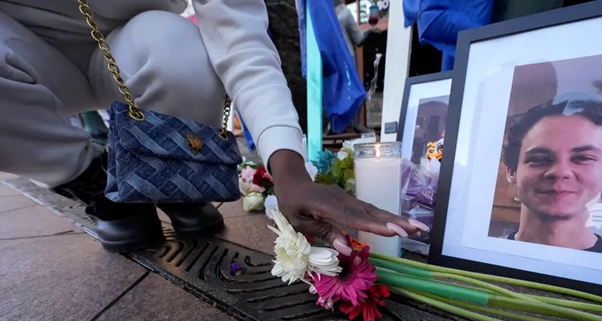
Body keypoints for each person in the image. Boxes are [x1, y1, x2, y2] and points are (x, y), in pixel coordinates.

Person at [0, 0, 427, 253]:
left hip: (127, 49)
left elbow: (241, 43)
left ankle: (179, 179)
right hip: (20, 51)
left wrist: (290, 172)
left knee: (177, 44)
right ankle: (91, 180)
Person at [500, 95, 602, 255]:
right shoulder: (479, 257)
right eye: (539, 159)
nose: (560, 172)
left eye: (583, 158)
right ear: (511, 171)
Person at [333, 0, 378, 134]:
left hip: (334, 59)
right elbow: (358, 39)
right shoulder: (345, 13)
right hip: (347, 58)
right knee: (356, 89)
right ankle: (356, 123)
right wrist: (370, 31)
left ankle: (336, 125)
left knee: (338, 91)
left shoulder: (330, 16)